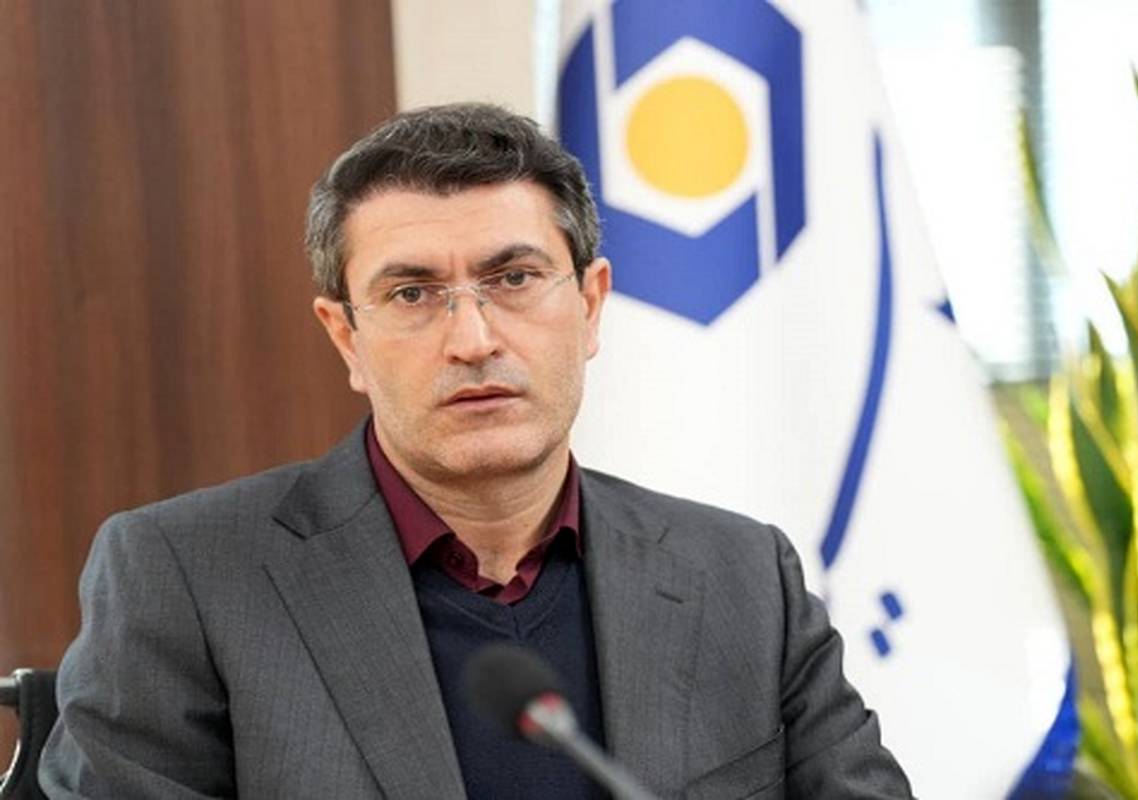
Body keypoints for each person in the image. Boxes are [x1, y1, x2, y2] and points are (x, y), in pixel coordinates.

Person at [40, 103, 912, 799]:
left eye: (514, 278)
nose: (473, 339)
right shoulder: (187, 577)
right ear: (345, 337)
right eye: (412, 293)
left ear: (590, 305)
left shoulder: (742, 577)